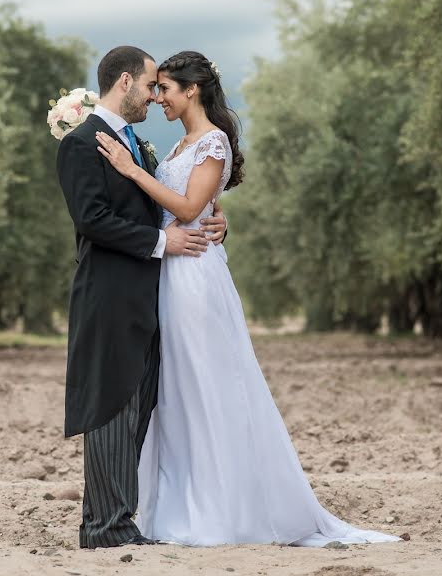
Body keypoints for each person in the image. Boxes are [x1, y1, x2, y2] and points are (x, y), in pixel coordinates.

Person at [95, 50, 401, 547]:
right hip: (170, 274)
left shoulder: (211, 143)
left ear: (191, 90)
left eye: (165, 89)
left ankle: (225, 508)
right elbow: (187, 213)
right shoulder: (177, 149)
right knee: (179, 393)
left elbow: (191, 207)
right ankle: (182, 501)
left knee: (206, 384)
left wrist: (132, 171)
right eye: (155, 89)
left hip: (194, 278)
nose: (158, 98)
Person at [55, 45, 228, 549]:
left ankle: (114, 521)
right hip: (109, 299)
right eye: (151, 86)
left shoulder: (137, 145)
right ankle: (104, 528)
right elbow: (92, 219)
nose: (155, 97)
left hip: (153, 301)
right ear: (126, 82)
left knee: (138, 407)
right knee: (111, 408)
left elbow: (167, 207)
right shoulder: (83, 142)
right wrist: (162, 242)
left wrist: (210, 223)